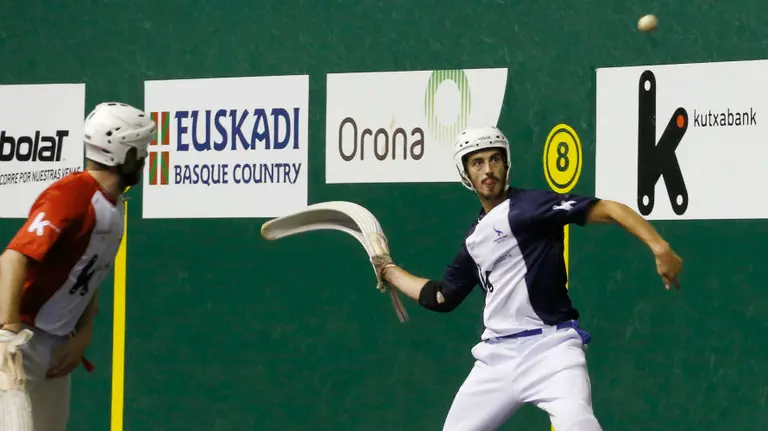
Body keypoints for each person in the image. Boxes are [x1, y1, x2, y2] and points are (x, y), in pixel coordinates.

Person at [371, 125, 683, 431]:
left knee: (579, 425)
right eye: (477, 162)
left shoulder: (531, 207)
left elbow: (610, 209)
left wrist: (659, 246)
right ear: (466, 173)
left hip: (553, 349)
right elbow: (441, 297)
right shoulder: (475, 240)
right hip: (496, 359)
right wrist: (389, 270)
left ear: (507, 165)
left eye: (495, 159)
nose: (488, 170)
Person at [0, 102, 155, 430]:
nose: (144, 159)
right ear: (123, 154)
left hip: (55, 348)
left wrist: (82, 333)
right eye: (141, 150)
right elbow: (14, 256)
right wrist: (7, 333)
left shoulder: (113, 208)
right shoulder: (71, 194)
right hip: (18, 341)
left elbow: (90, 274)